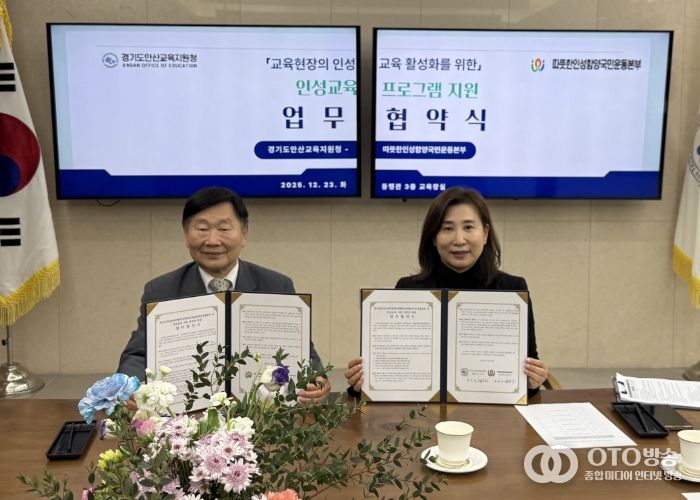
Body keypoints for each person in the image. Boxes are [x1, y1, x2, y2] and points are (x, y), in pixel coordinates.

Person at [118, 187, 330, 403]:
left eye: (224, 229)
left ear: (244, 233)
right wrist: (132, 386)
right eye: (202, 228)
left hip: (261, 410)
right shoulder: (162, 290)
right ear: (186, 234)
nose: (212, 240)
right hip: (188, 412)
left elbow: (303, 354)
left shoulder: (276, 286)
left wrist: (316, 379)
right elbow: (137, 355)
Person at [345, 187, 548, 397]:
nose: (459, 240)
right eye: (447, 228)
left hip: (493, 409)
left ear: (485, 233)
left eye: (468, 227)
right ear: (433, 237)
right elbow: (390, 370)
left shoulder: (512, 289)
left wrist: (533, 380)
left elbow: (528, 372)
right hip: (422, 412)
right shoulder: (409, 289)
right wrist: (361, 383)